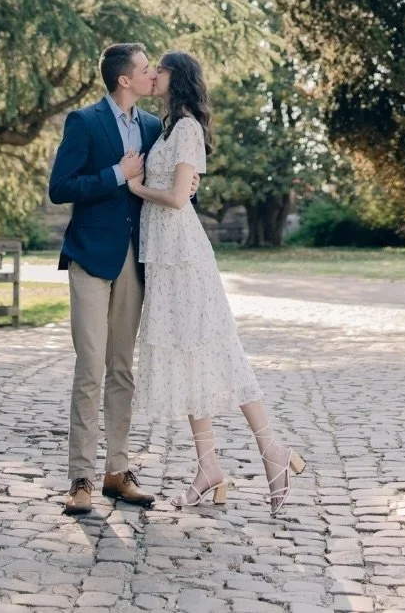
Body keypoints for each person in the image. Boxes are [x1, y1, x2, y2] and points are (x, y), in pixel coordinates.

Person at [127, 49, 306, 516]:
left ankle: (273, 452)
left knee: (219, 350)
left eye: (160, 69)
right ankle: (209, 467)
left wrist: (137, 187)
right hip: (164, 259)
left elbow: (175, 199)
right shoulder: (168, 127)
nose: (154, 75)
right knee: (187, 358)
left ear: (177, 78)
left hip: (184, 258)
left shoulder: (186, 129)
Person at [48, 42, 199, 516]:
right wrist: (116, 173)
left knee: (122, 369)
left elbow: (168, 182)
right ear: (124, 81)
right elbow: (60, 187)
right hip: (91, 258)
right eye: (144, 68)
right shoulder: (85, 122)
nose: (153, 73)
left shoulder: (156, 127)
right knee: (90, 366)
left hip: (136, 262)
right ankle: (80, 478)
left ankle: (117, 470)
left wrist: (189, 186)